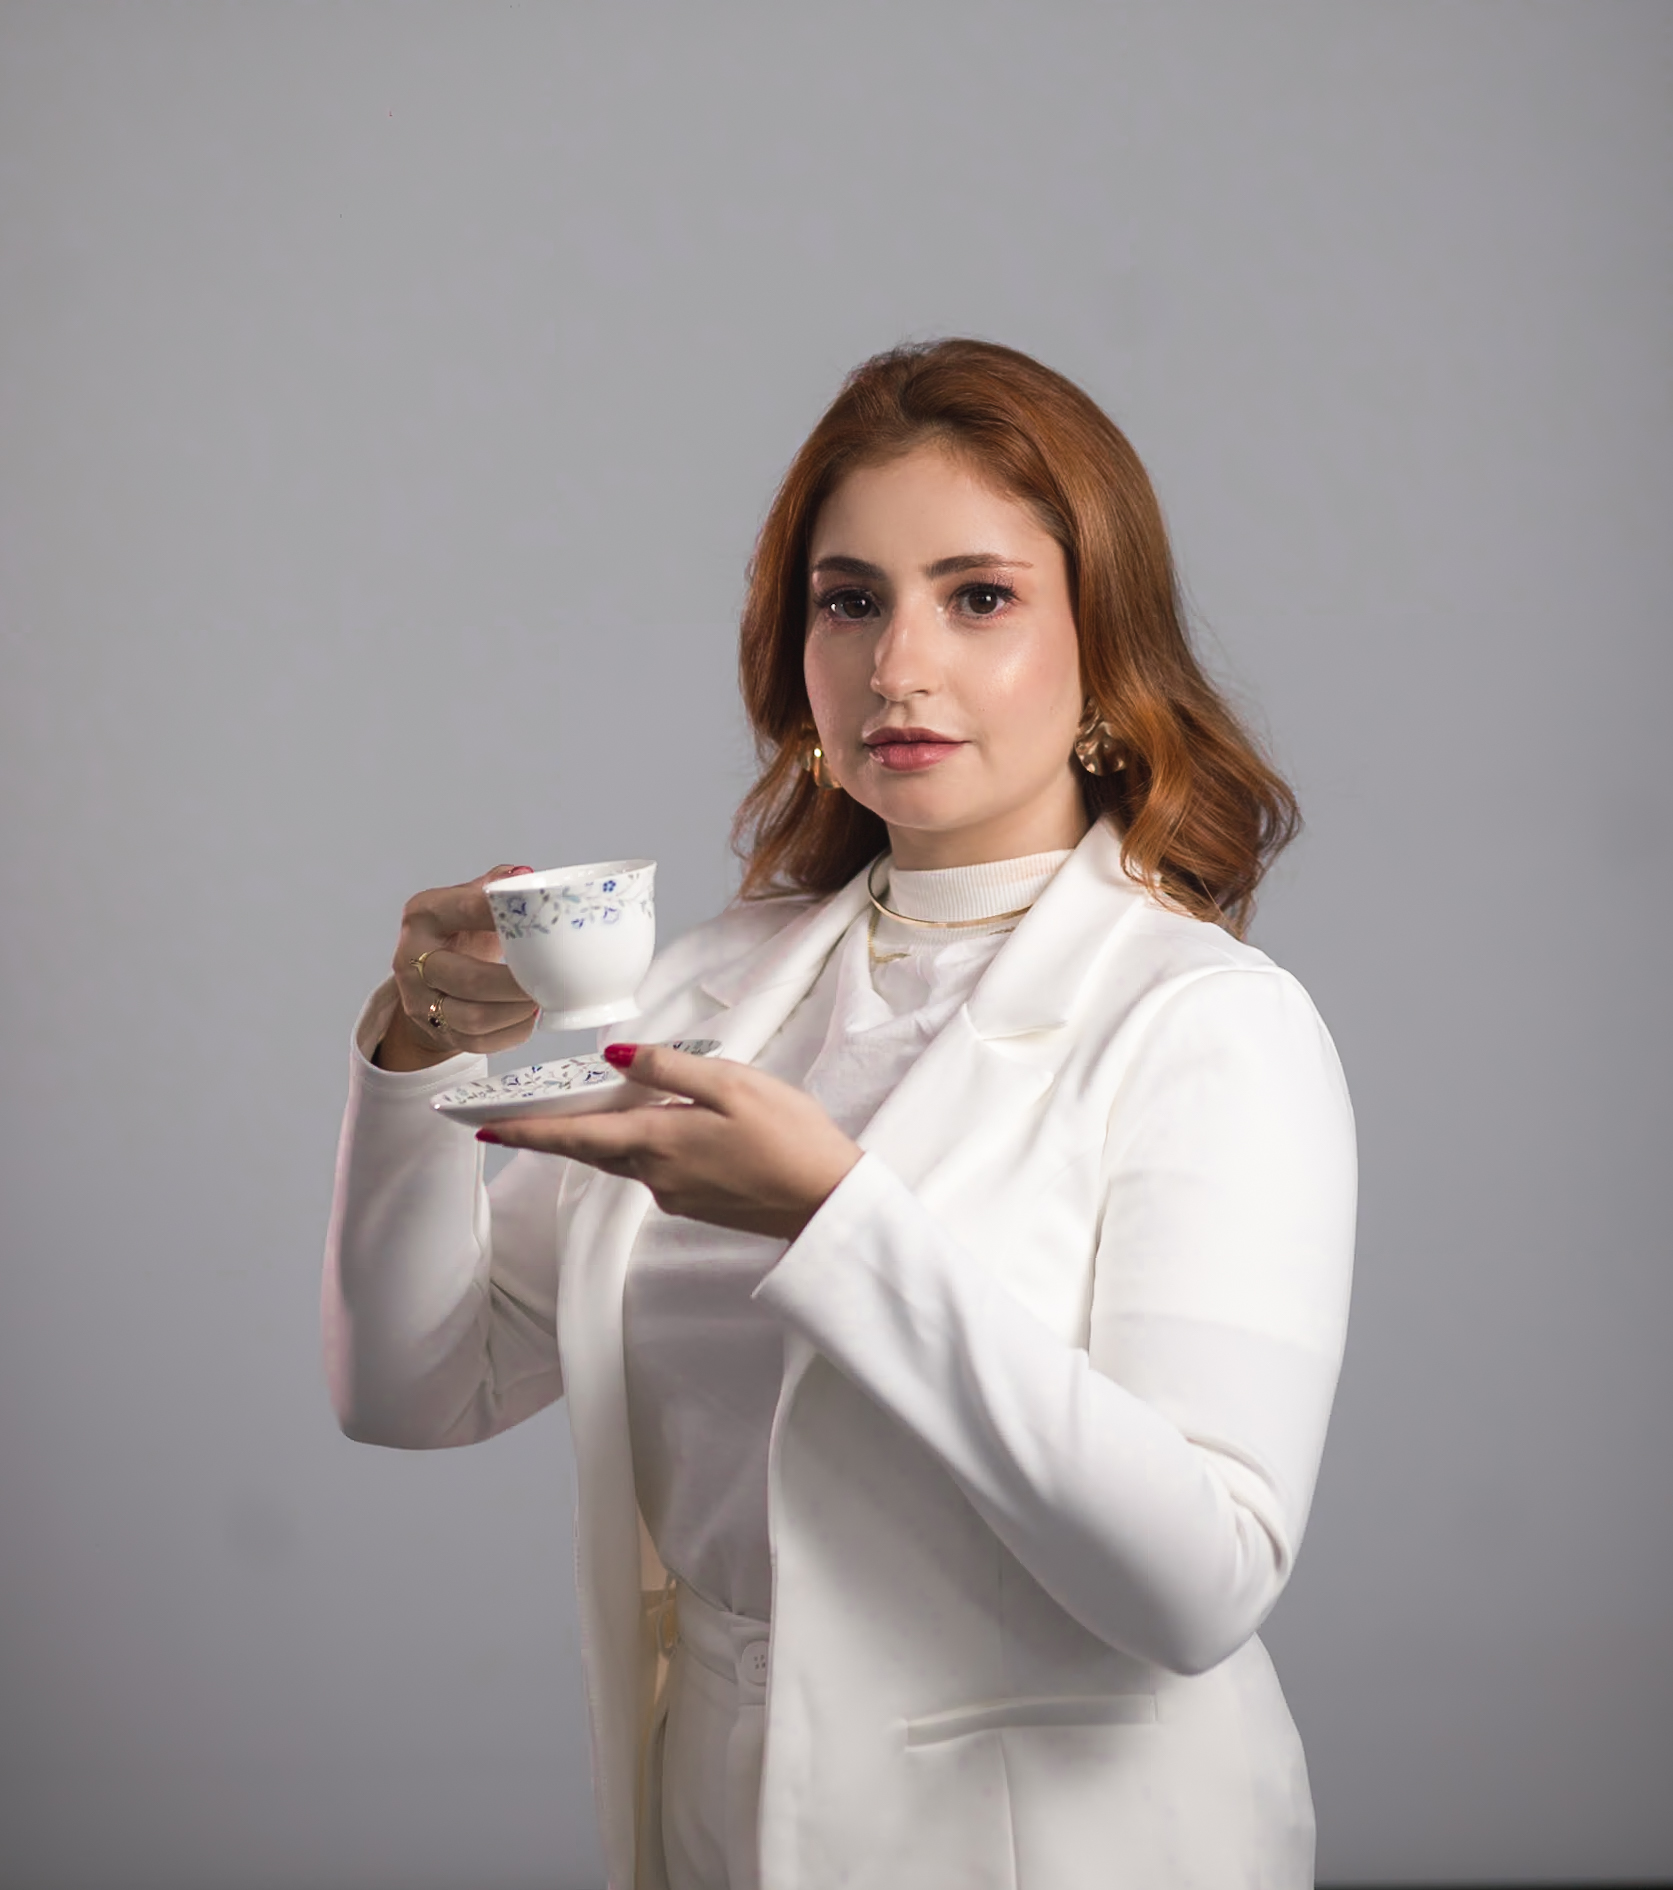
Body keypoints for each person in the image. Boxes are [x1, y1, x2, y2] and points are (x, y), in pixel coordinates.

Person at [322, 337, 1357, 1890]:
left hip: (1057, 1848)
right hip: (720, 1823)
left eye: (979, 596)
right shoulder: (709, 989)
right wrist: (415, 1052)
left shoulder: (1205, 1021)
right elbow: (415, 1385)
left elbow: (1199, 1585)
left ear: (1106, 645)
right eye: (850, 599)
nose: (896, 665)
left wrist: (836, 1216)